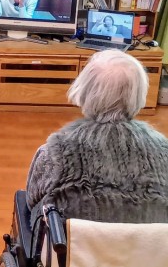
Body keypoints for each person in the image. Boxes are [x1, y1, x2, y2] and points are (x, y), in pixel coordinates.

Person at [26, 50, 168, 227]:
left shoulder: (56, 151)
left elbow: (31, 200)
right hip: (147, 245)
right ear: (139, 95)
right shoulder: (164, 151)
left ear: (85, 92)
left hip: (71, 244)